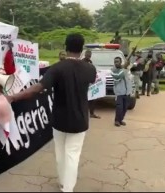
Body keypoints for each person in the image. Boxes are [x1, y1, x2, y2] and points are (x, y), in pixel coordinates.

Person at [6, 33, 97, 192]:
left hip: (59, 119)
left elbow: (37, 88)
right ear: (82, 49)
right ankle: (67, 188)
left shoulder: (57, 68)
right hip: (80, 120)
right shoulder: (90, 68)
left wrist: (14, 97)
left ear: (65, 47)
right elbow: (92, 81)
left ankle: (63, 183)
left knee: (60, 153)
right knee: (72, 155)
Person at [111, 54, 133, 127]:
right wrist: (124, 68)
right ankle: (117, 120)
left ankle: (121, 120)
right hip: (119, 92)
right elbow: (118, 77)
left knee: (125, 108)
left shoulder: (125, 68)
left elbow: (128, 68)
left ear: (120, 62)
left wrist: (128, 62)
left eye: (117, 62)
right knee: (119, 107)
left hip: (127, 92)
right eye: (115, 62)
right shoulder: (113, 70)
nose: (116, 63)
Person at [82, 50, 101, 119]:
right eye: (87, 55)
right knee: (84, 99)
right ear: (85, 55)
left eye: (89, 56)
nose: (88, 57)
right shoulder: (81, 62)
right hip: (82, 84)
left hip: (90, 84)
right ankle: (83, 113)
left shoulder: (90, 63)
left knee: (93, 98)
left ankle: (92, 113)